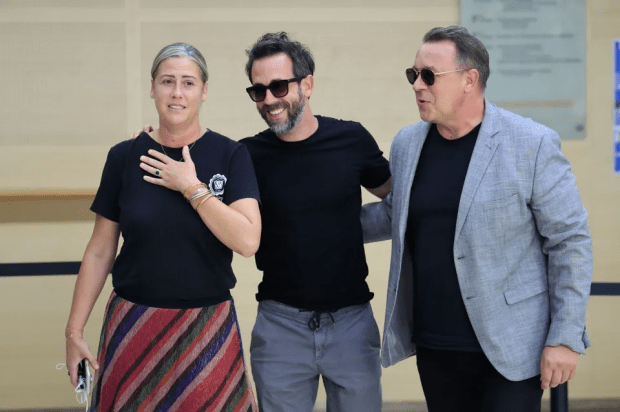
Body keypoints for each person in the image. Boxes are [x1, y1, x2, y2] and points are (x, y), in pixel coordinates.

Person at [361, 26, 592, 412]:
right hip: (435, 346)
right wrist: (319, 222)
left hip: (512, 348)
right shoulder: (407, 143)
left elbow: (570, 241)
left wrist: (565, 337)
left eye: (429, 75)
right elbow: (395, 213)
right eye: (413, 74)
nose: (417, 85)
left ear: (470, 80)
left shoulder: (531, 143)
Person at [64, 42, 260, 411]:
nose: (177, 92)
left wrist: (191, 186)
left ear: (204, 91)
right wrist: (74, 331)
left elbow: (248, 241)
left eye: (188, 82)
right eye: (167, 81)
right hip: (133, 322)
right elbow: (100, 249)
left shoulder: (230, 154)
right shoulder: (124, 156)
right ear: (152, 87)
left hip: (207, 327)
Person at [241, 32, 391, 412]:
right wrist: (152, 143)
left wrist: (347, 229)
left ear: (307, 83)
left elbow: (401, 203)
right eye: (259, 91)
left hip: (352, 325)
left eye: (278, 86)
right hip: (279, 328)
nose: (269, 100)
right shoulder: (246, 155)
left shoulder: (351, 139)